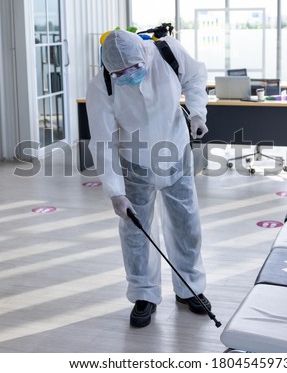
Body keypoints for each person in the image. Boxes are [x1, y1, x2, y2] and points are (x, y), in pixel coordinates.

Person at [85, 29, 210, 328]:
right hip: (135, 161)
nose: (128, 76)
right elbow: (103, 140)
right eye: (121, 73)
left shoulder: (168, 52)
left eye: (133, 69)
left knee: (185, 221)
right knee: (135, 230)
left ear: (143, 54)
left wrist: (197, 114)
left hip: (175, 149)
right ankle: (144, 293)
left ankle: (189, 288)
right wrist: (115, 192)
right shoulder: (102, 84)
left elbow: (195, 78)